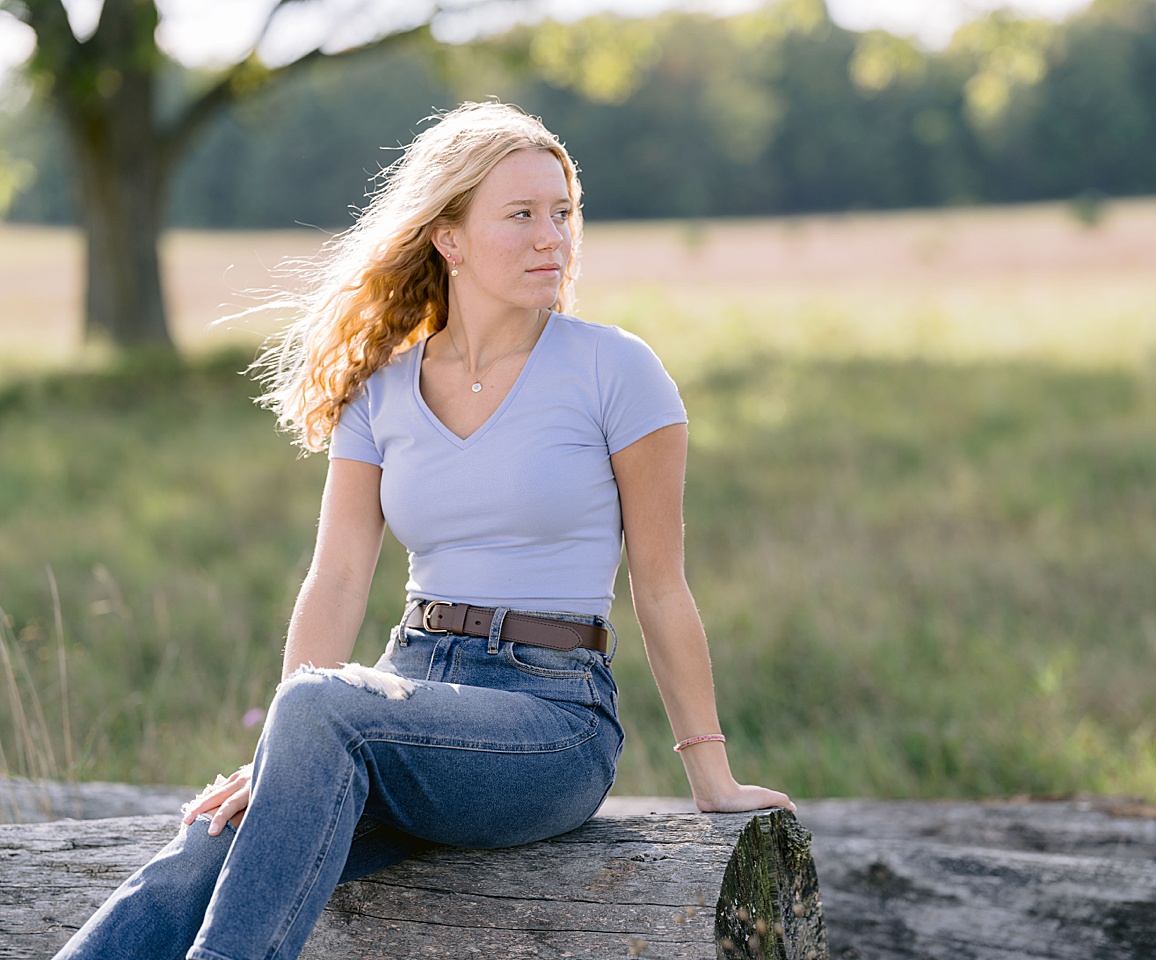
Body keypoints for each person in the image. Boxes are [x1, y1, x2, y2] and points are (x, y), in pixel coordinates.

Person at [52, 101, 792, 960]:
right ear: (450, 237)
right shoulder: (381, 389)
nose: (552, 237)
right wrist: (284, 753)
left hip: (549, 722)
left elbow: (661, 585)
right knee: (200, 856)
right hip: (399, 697)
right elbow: (335, 579)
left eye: (563, 213)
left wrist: (710, 773)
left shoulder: (616, 371)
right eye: (521, 215)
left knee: (325, 709)